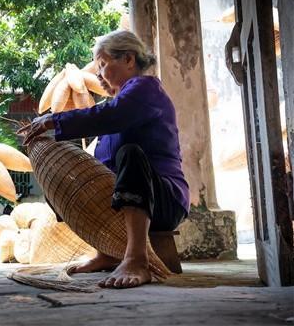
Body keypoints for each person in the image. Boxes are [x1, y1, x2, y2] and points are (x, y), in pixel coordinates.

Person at [20, 30, 189, 289]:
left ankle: (136, 259)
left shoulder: (145, 89)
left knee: (130, 154)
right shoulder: (120, 105)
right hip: (126, 207)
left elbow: (109, 115)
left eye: (102, 64)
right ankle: (108, 253)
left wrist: (54, 119)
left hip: (164, 201)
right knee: (87, 173)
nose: (98, 74)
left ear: (129, 60)